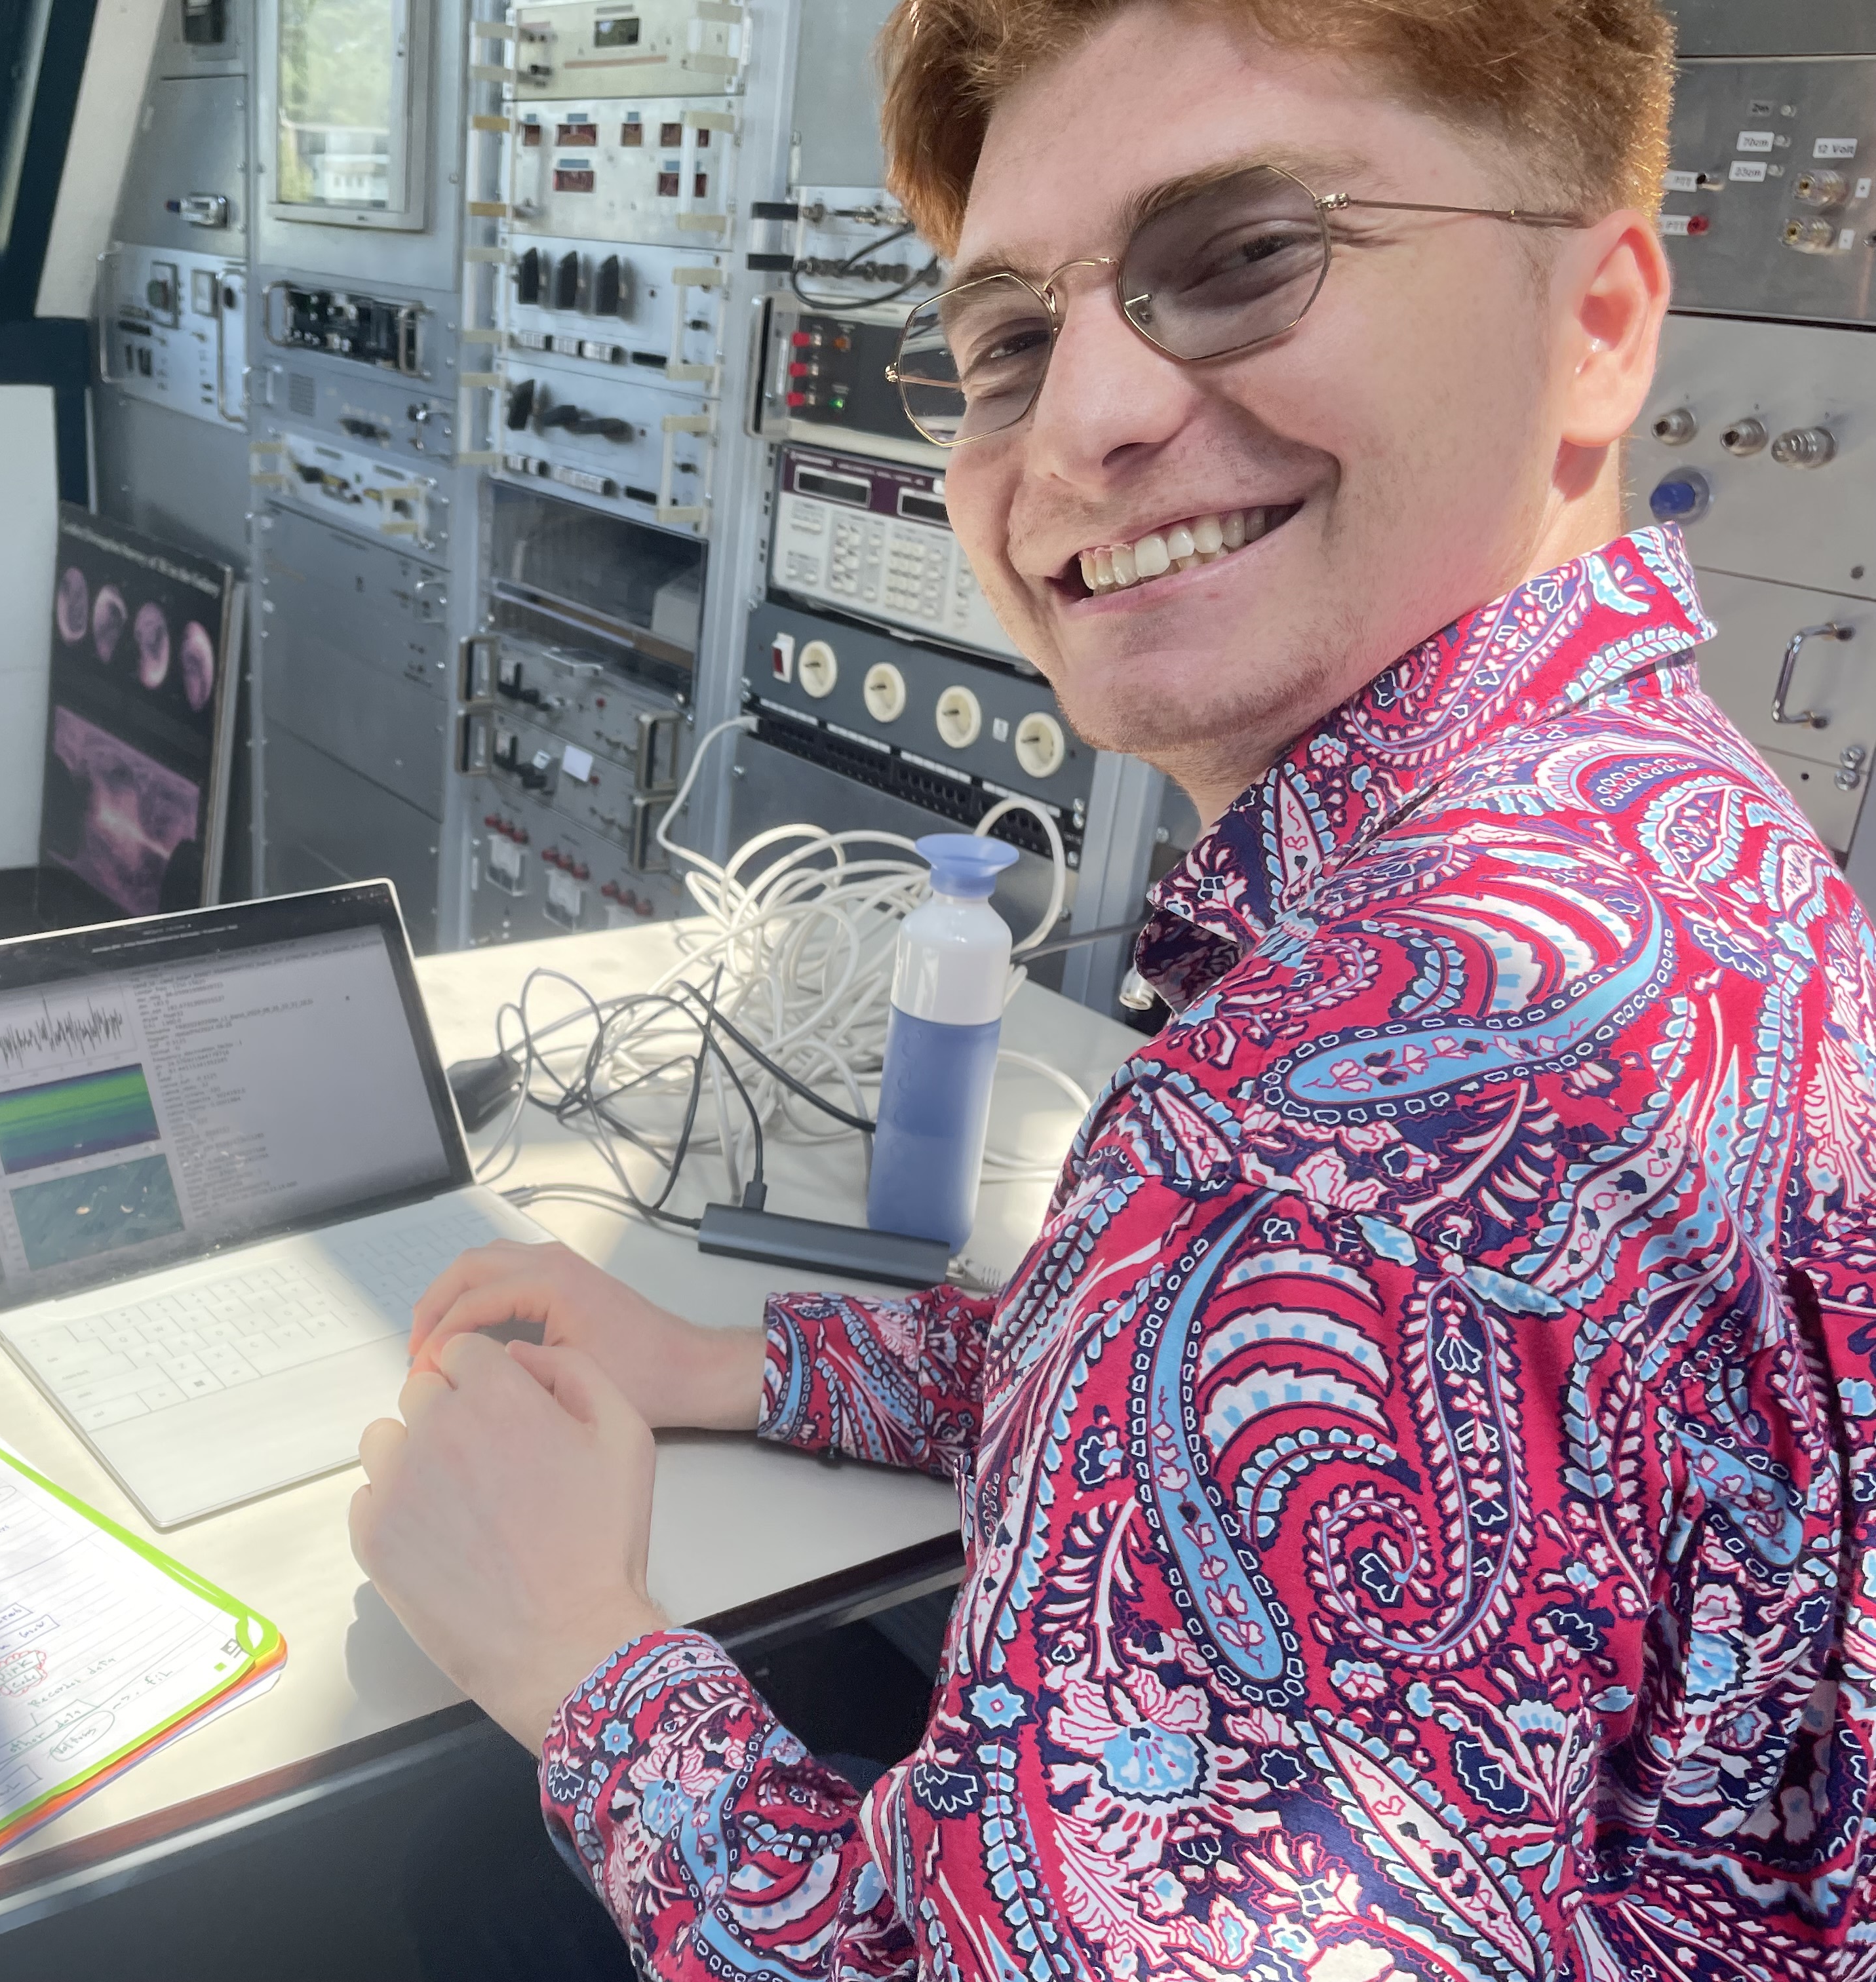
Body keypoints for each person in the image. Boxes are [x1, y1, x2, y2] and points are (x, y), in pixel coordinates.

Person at [350, 0, 1876, 1973]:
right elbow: (1155, 1371)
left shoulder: (1331, 1144)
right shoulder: (1671, 818)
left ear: (1596, 325)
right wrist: (739, 1368)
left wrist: (575, 1659)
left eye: (1241, 259)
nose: (1078, 428)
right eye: (1008, 342)